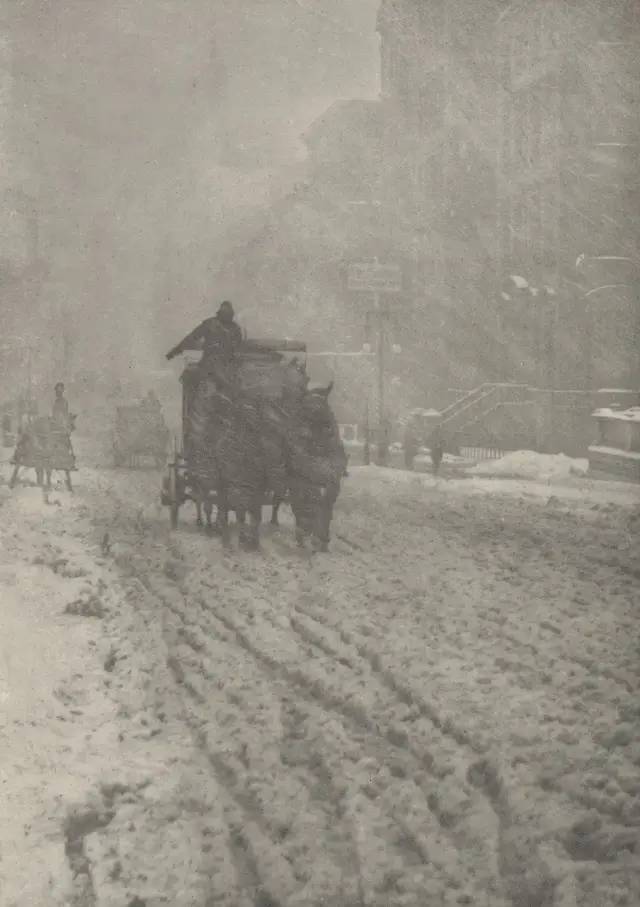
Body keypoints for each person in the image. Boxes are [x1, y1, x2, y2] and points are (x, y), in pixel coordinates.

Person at [166, 300, 243, 388]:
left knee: (192, 377)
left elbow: (191, 338)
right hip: (218, 363)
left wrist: (174, 352)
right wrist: (174, 352)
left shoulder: (232, 328)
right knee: (192, 377)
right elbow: (192, 338)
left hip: (220, 363)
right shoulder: (216, 324)